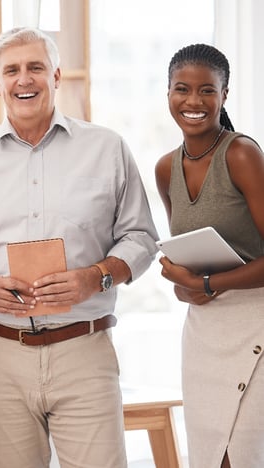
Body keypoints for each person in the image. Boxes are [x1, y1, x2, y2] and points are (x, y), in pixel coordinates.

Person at [0, 27, 159, 468]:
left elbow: (140, 236)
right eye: (12, 70)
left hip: (84, 351)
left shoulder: (107, 148)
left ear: (56, 76)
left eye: (35, 68)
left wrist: (94, 277)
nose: (24, 80)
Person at [155, 44, 264, 468]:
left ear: (225, 95)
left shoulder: (241, 155)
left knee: (243, 457)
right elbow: (190, 257)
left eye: (207, 91)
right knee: (207, 457)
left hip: (254, 325)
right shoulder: (166, 168)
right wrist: (185, 287)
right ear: (167, 93)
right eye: (182, 89)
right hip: (204, 332)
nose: (194, 102)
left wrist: (206, 284)